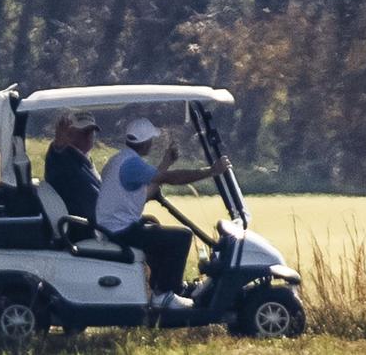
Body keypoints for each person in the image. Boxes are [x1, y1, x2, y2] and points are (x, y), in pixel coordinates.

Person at [95, 117, 231, 309]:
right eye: (151, 140)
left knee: (155, 228)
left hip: (113, 226)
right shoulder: (132, 164)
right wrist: (211, 171)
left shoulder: (120, 159)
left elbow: (146, 193)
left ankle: (163, 289)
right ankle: (165, 293)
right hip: (119, 231)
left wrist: (166, 162)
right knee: (182, 236)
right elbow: (170, 179)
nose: (152, 143)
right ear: (145, 142)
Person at [44, 111, 102, 242]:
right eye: (83, 132)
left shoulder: (85, 159)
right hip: (84, 231)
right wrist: (58, 144)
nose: (88, 136)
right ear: (68, 134)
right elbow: (56, 156)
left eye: (91, 132)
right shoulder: (63, 159)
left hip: (100, 226)